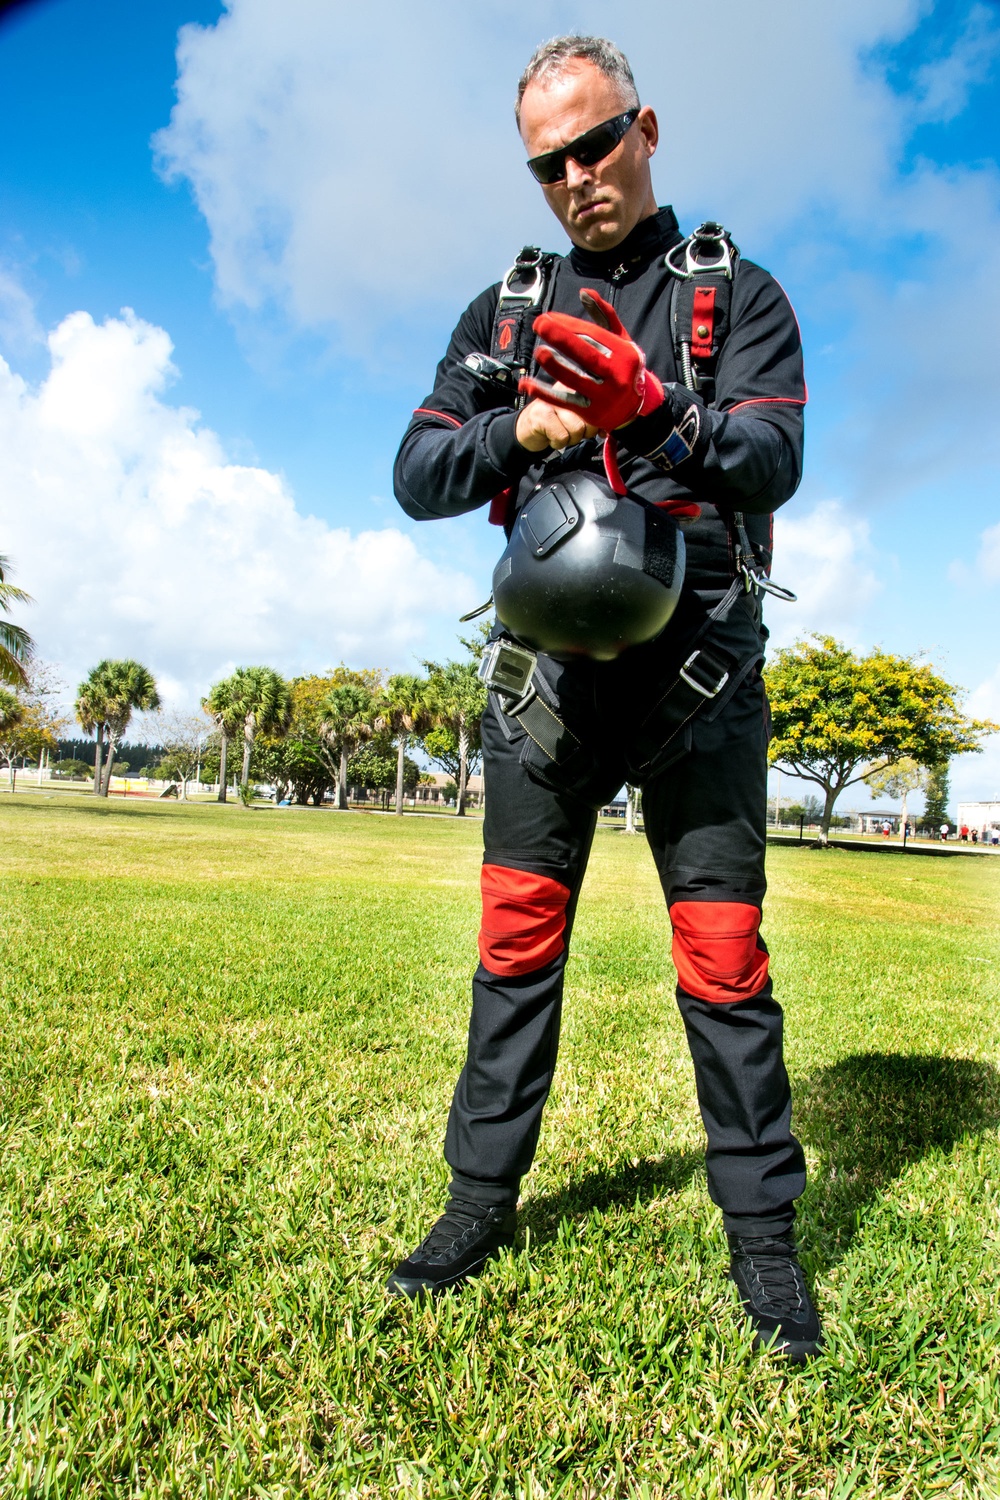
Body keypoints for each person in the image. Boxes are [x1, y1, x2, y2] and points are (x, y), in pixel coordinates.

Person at [389, 35, 820, 1361]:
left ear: (646, 127)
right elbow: (415, 470)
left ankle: (765, 1248)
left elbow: (772, 458)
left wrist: (654, 419)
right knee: (514, 954)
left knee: (724, 968)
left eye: (597, 144)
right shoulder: (503, 314)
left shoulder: (737, 297)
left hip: (697, 688)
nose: (577, 177)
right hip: (546, 696)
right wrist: (517, 430)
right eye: (548, 163)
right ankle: (474, 1206)